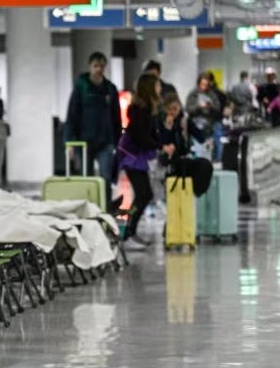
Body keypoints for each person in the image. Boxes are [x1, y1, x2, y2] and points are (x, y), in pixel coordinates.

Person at [118, 74, 169, 250]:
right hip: (132, 156)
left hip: (136, 156)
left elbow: (150, 134)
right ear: (149, 88)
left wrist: (160, 143)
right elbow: (142, 137)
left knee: (144, 194)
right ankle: (126, 234)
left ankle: (129, 232)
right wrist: (160, 145)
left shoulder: (147, 109)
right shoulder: (141, 110)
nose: (159, 88)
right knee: (143, 194)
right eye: (156, 85)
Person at [65, 52, 122, 188]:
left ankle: (105, 206)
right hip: (84, 140)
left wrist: (118, 142)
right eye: (95, 66)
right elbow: (72, 115)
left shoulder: (110, 89)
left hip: (105, 141)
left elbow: (116, 117)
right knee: (86, 177)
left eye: (101, 66)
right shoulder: (81, 87)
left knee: (106, 177)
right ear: (90, 67)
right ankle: (89, 205)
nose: (99, 69)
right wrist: (70, 141)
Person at [185, 72, 223, 160]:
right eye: (202, 84)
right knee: (196, 152)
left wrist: (211, 107)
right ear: (198, 83)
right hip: (195, 128)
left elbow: (218, 109)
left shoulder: (212, 95)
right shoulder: (193, 94)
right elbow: (188, 109)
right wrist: (198, 107)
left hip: (208, 128)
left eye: (206, 85)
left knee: (207, 152)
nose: (204, 87)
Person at [157, 92, 189, 169]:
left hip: (181, 156)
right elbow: (161, 141)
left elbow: (185, 143)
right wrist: (168, 128)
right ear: (165, 109)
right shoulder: (160, 121)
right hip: (165, 158)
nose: (172, 112)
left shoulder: (183, 120)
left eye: (175, 109)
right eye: (169, 109)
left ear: (179, 107)